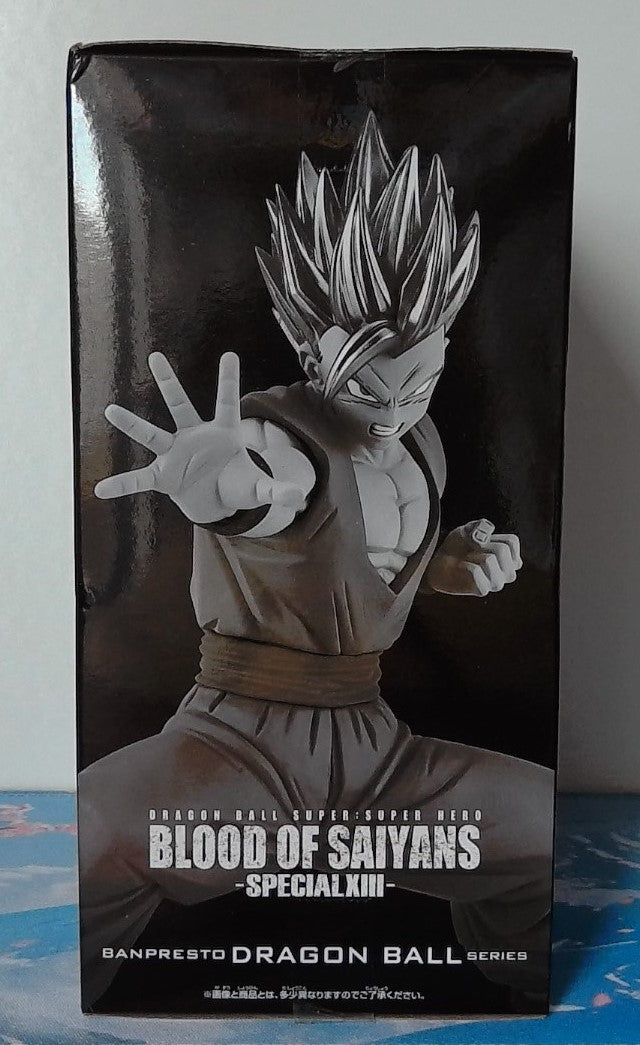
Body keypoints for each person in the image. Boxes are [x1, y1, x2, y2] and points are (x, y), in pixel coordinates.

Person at [80, 113, 553, 1007]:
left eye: (419, 382)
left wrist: (446, 562)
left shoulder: (421, 445)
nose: (395, 410)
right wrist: (220, 485)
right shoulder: (280, 432)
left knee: (537, 825)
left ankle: (504, 992)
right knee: (98, 829)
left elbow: (351, 563)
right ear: (311, 350)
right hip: (237, 744)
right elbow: (271, 488)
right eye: (369, 386)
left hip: (377, 752)